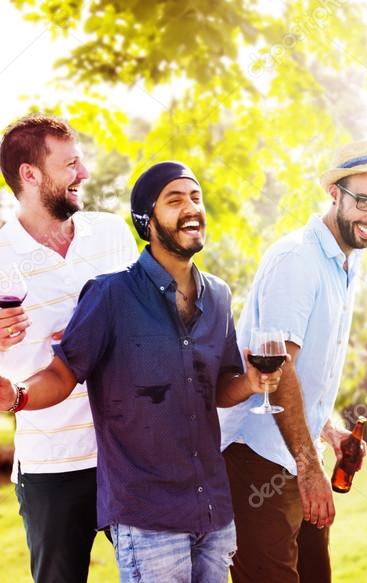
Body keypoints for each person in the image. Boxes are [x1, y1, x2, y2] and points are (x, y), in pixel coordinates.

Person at [0, 161, 278, 583]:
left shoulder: (218, 295)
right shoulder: (109, 295)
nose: (192, 208)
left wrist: (252, 384)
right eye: (175, 199)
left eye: (196, 198)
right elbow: (62, 373)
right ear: (146, 221)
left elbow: (218, 388)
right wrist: (18, 396)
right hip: (148, 517)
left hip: (213, 511)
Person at [218, 140, 367, 582]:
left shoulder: (343, 263)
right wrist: (309, 466)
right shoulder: (298, 260)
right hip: (256, 456)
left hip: (294, 452)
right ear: (334, 193)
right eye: (363, 201)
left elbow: (304, 375)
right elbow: (277, 373)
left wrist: (327, 431)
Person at [0, 114, 136, 583]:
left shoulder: (112, 233)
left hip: (126, 454)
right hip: (50, 466)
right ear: (30, 175)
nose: (83, 173)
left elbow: (146, 317)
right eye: (71, 164)